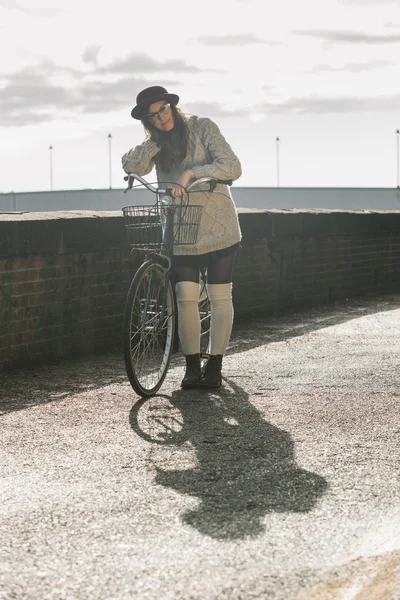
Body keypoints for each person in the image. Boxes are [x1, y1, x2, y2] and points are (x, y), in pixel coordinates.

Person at [121, 85, 242, 389]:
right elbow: (130, 166)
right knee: (185, 298)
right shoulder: (157, 141)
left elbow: (232, 165)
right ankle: (191, 368)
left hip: (218, 224)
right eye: (153, 116)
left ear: (172, 107)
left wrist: (190, 175)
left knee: (219, 296)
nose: (161, 118)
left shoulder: (202, 127)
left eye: (163, 109)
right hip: (182, 227)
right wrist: (152, 141)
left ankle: (214, 365)